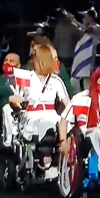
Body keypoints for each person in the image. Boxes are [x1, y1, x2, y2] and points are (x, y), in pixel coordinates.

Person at [13, 46, 70, 180]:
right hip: (31, 114)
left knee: (61, 124)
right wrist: (15, 102)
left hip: (51, 113)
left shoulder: (56, 81)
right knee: (46, 123)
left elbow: (67, 104)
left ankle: (59, 162)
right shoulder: (26, 78)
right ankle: (47, 162)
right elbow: (16, 100)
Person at [69, 8, 100, 96]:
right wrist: (72, 22)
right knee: (74, 81)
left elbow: (88, 29)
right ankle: (79, 99)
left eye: (86, 16)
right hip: (80, 61)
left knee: (87, 84)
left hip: (88, 61)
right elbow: (80, 32)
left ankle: (89, 102)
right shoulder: (85, 29)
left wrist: (75, 21)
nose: (84, 18)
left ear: (91, 17)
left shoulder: (97, 28)